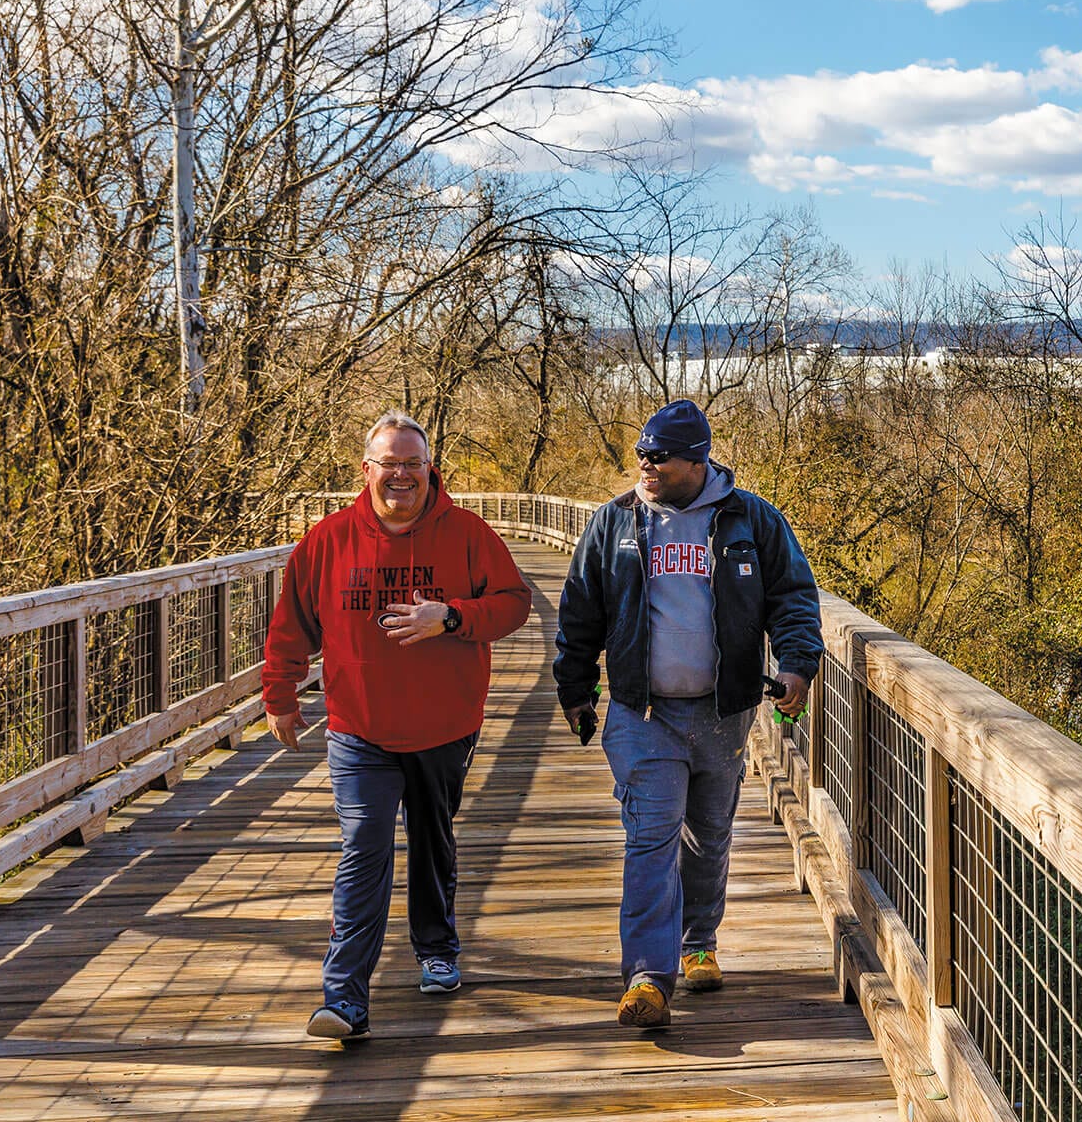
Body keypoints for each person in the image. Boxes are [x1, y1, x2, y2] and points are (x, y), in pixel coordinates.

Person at [263, 411, 532, 1041]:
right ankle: (344, 998)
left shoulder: (466, 534)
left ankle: (436, 947)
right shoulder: (327, 541)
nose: (402, 475)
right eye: (390, 463)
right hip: (358, 728)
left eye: (413, 463)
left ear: (428, 468)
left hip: (445, 724)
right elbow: (292, 623)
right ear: (367, 470)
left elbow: (515, 603)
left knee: (433, 837)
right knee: (365, 848)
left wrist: (453, 616)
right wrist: (280, 695)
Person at [554, 399, 821, 1030]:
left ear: (697, 460)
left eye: (659, 458)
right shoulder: (614, 523)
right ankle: (647, 975)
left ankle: (699, 940)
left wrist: (796, 665)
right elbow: (578, 611)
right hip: (641, 713)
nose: (644, 466)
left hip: (724, 713)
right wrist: (574, 689)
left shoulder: (750, 519)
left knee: (708, 834)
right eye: (640, 454)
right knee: (651, 836)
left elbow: (793, 595)